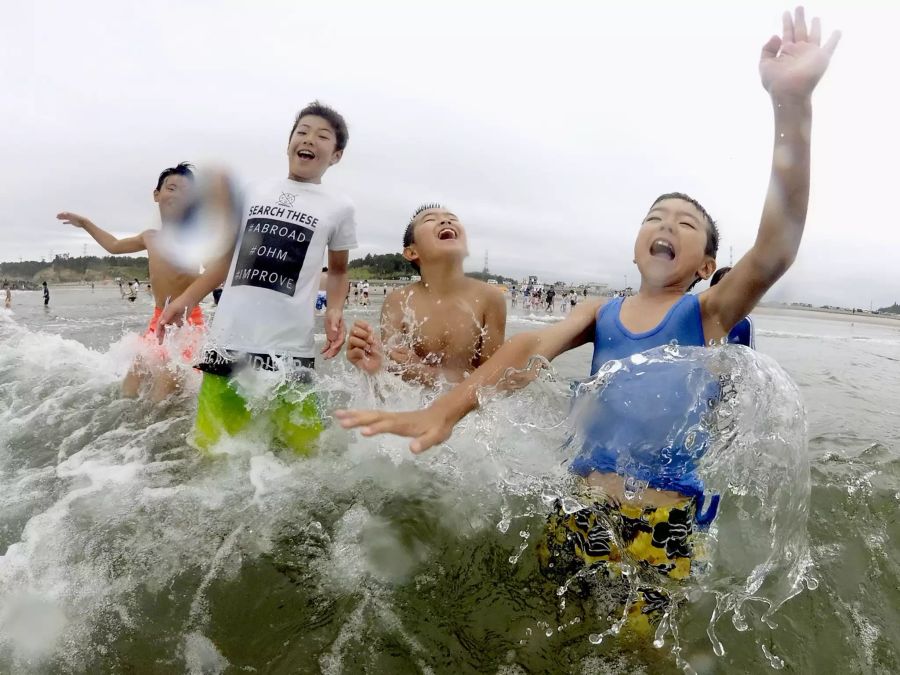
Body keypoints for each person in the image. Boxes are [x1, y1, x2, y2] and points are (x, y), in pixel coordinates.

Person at [337, 8, 838, 630]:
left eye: (684, 224)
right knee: (552, 631)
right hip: (578, 509)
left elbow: (774, 250)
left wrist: (793, 106)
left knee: (641, 648)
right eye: (654, 217)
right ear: (635, 244)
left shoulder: (707, 312)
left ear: (706, 261)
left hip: (662, 522)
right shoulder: (598, 312)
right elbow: (526, 352)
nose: (665, 227)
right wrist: (445, 408)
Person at [155, 101, 356, 454]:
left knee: (304, 458)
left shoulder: (339, 207)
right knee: (214, 454)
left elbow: (338, 270)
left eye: (322, 136)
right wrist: (186, 301)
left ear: (335, 155)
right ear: (289, 143)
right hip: (229, 340)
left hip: (290, 350)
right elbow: (226, 260)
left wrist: (335, 309)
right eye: (302, 132)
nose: (309, 139)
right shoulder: (252, 192)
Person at [57, 162, 204, 401]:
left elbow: (217, 271)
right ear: (157, 195)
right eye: (172, 188)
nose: (178, 195)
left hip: (187, 322)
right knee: (132, 382)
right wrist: (85, 223)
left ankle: (163, 434)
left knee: (165, 390)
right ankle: (124, 435)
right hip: (158, 320)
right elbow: (114, 246)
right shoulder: (150, 237)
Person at [346, 204, 506, 386]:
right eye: (430, 219)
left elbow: (491, 381)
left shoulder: (490, 298)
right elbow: (392, 375)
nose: (446, 220)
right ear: (412, 252)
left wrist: (419, 369)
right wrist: (373, 365)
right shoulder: (398, 301)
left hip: (468, 412)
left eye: (452, 218)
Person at [709, 267, 755, 347]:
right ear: (713, 288)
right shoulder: (701, 316)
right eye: (723, 284)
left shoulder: (745, 322)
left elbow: (750, 355)